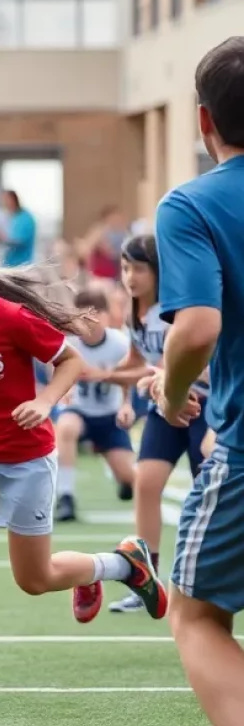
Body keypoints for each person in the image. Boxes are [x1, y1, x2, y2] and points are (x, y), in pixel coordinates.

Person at [0, 219, 166, 709]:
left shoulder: (9, 317)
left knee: (34, 579)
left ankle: (120, 564)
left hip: (25, 456)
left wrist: (45, 402)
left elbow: (69, 361)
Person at [147, 36, 244, 726]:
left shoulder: (192, 204)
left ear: (205, 121)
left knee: (199, 613)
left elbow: (199, 326)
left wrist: (171, 390)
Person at [104, 233, 210, 614]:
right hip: (164, 408)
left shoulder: (175, 309)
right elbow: (136, 361)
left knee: (208, 496)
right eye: (125, 267)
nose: (130, 276)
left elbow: (185, 359)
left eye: (139, 268)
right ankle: (145, 580)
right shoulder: (134, 311)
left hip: (200, 405)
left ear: (158, 271)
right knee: (145, 484)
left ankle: (209, 580)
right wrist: (99, 374)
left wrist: (159, 376)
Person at [54, 284, 136, 522]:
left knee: (131, 478)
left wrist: (126, 405)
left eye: (96, 313)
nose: (90, 321)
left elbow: (129, 378)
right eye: (83, 315)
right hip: (79, 410)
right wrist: (65, 389)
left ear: (106, 316)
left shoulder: (119, 343)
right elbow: (56, 368)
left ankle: (124, 480)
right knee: (66, 426)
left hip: (109, 415)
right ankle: (66, 496)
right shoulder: (70, 343)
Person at [0, 189, 36, 267]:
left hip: (21, 265)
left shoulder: (25, 218)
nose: (4, 203)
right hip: (9, 265)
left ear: (13, 200)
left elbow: (18, 241)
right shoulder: (11, 217)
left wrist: (2, 237)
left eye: (6, 200)